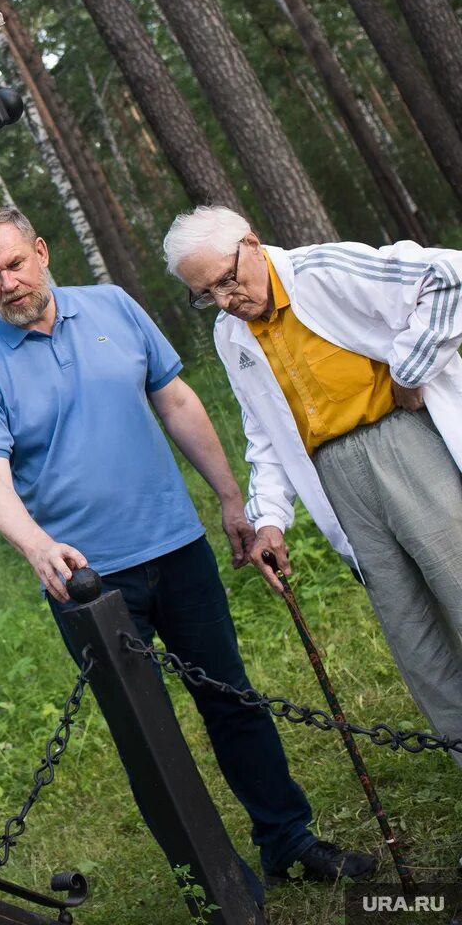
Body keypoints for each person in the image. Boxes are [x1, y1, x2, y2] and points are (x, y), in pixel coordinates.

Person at [0, 206, 375, 888]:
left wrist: (231, 498)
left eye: (15, 265)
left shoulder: (113, 306)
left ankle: (288, 841)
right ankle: (214, 883)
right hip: (87, 584)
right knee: (150, 739)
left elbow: (174, 399)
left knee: (233, 698)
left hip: (177, 548)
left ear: (41, 249)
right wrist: (34, 545)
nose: (7, 283)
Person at [163, 204, 462, 762]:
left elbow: (449, 277)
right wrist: (269, 518)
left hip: (403, 445)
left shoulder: (324, 270)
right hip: (337, 482)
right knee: (415, 639)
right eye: (206, 294)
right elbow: (266, 433)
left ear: (251, 243)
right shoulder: (232, 334)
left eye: (228, 280)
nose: (226, 300)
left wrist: (410, 368)